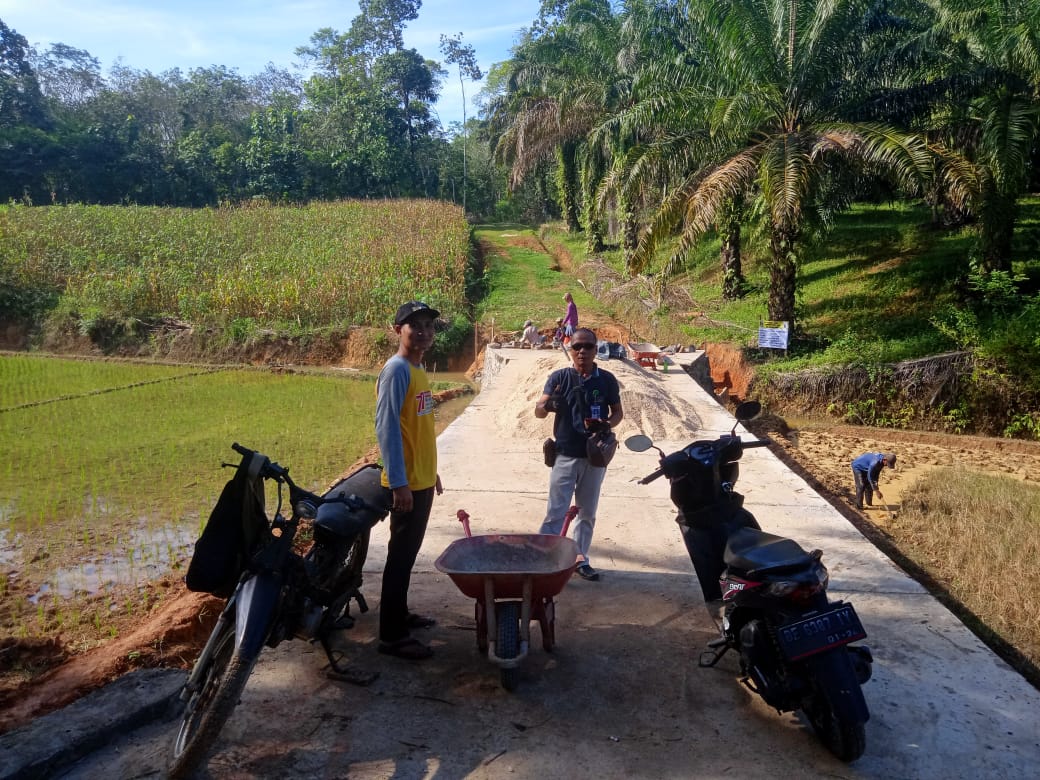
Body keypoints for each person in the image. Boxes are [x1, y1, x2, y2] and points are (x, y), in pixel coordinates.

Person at [374, 300, 444, 660]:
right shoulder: (397, 370)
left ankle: (399, 615)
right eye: (414, 326)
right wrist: (399, 483)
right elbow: (386, 429)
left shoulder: (419, 368)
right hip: (405, 484)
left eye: (429, 326)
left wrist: (431, 472)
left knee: (407, 554)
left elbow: (421, 428)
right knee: (399, 558)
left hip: (420, 479)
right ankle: (391, 636)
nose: (423, 332)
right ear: (397, 329)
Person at [534, 327, 624, 581]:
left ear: (596, 350)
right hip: (565, 455)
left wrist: (607, 424)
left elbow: (617, 413)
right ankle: (545, 560)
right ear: (571, 350)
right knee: (556, 511)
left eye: (588, 346)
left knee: (587, 513)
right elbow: (538, 410)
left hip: (595, 457)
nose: (582, 351)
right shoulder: (559, 378)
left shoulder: (606, 380)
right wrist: (549, 405)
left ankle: (580, 559)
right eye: (577, 347)